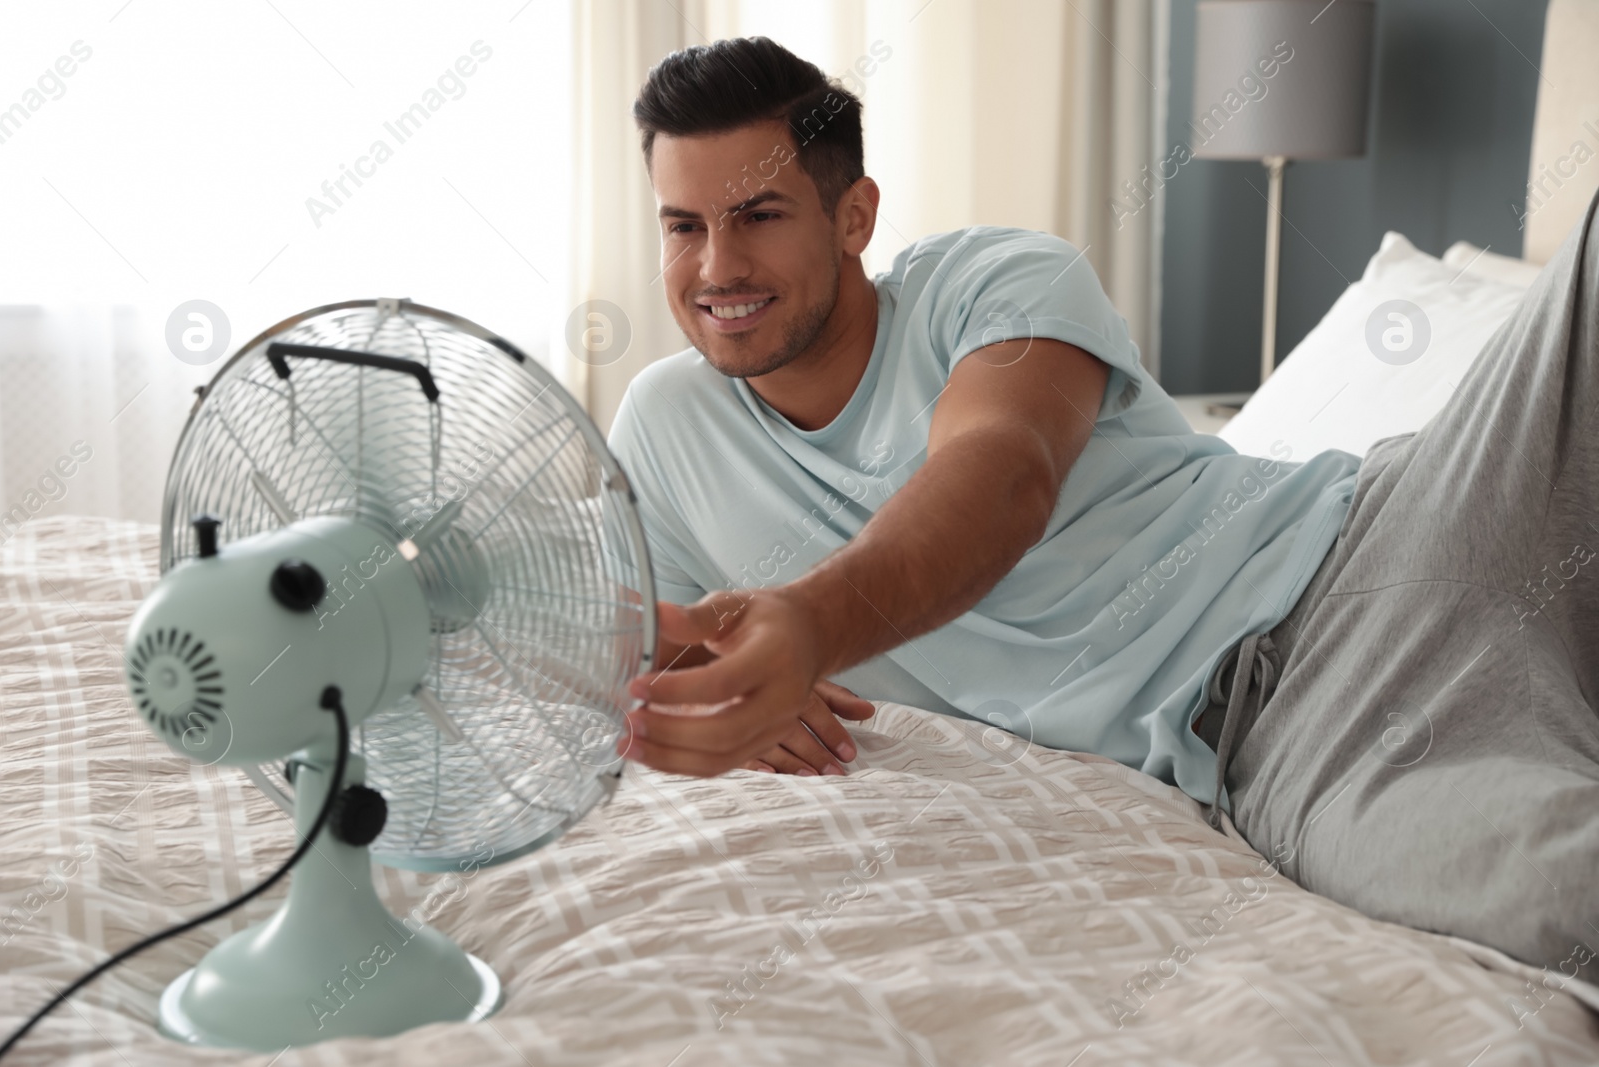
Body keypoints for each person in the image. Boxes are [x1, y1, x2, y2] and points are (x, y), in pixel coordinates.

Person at [603, 36, 1599, 983]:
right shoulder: (662, 423)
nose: (716, 268)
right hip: (1275, 735)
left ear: (854, 215)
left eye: (759, 215)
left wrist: (812, 626)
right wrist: (730, 692)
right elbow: (655, 640)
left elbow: (1004, 470)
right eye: (682, 225)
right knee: (1557, 900)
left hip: (1383, 527)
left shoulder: (990, 278)